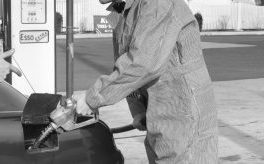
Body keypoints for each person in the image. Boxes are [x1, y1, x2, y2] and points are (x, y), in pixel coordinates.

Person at [75, 0, 218, 163]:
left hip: (183, 115)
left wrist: (92, 99)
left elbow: (143, 64)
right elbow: (124, 62)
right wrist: (139, 109)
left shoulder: (157, 4)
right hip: (158, 113)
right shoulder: (122, 10)